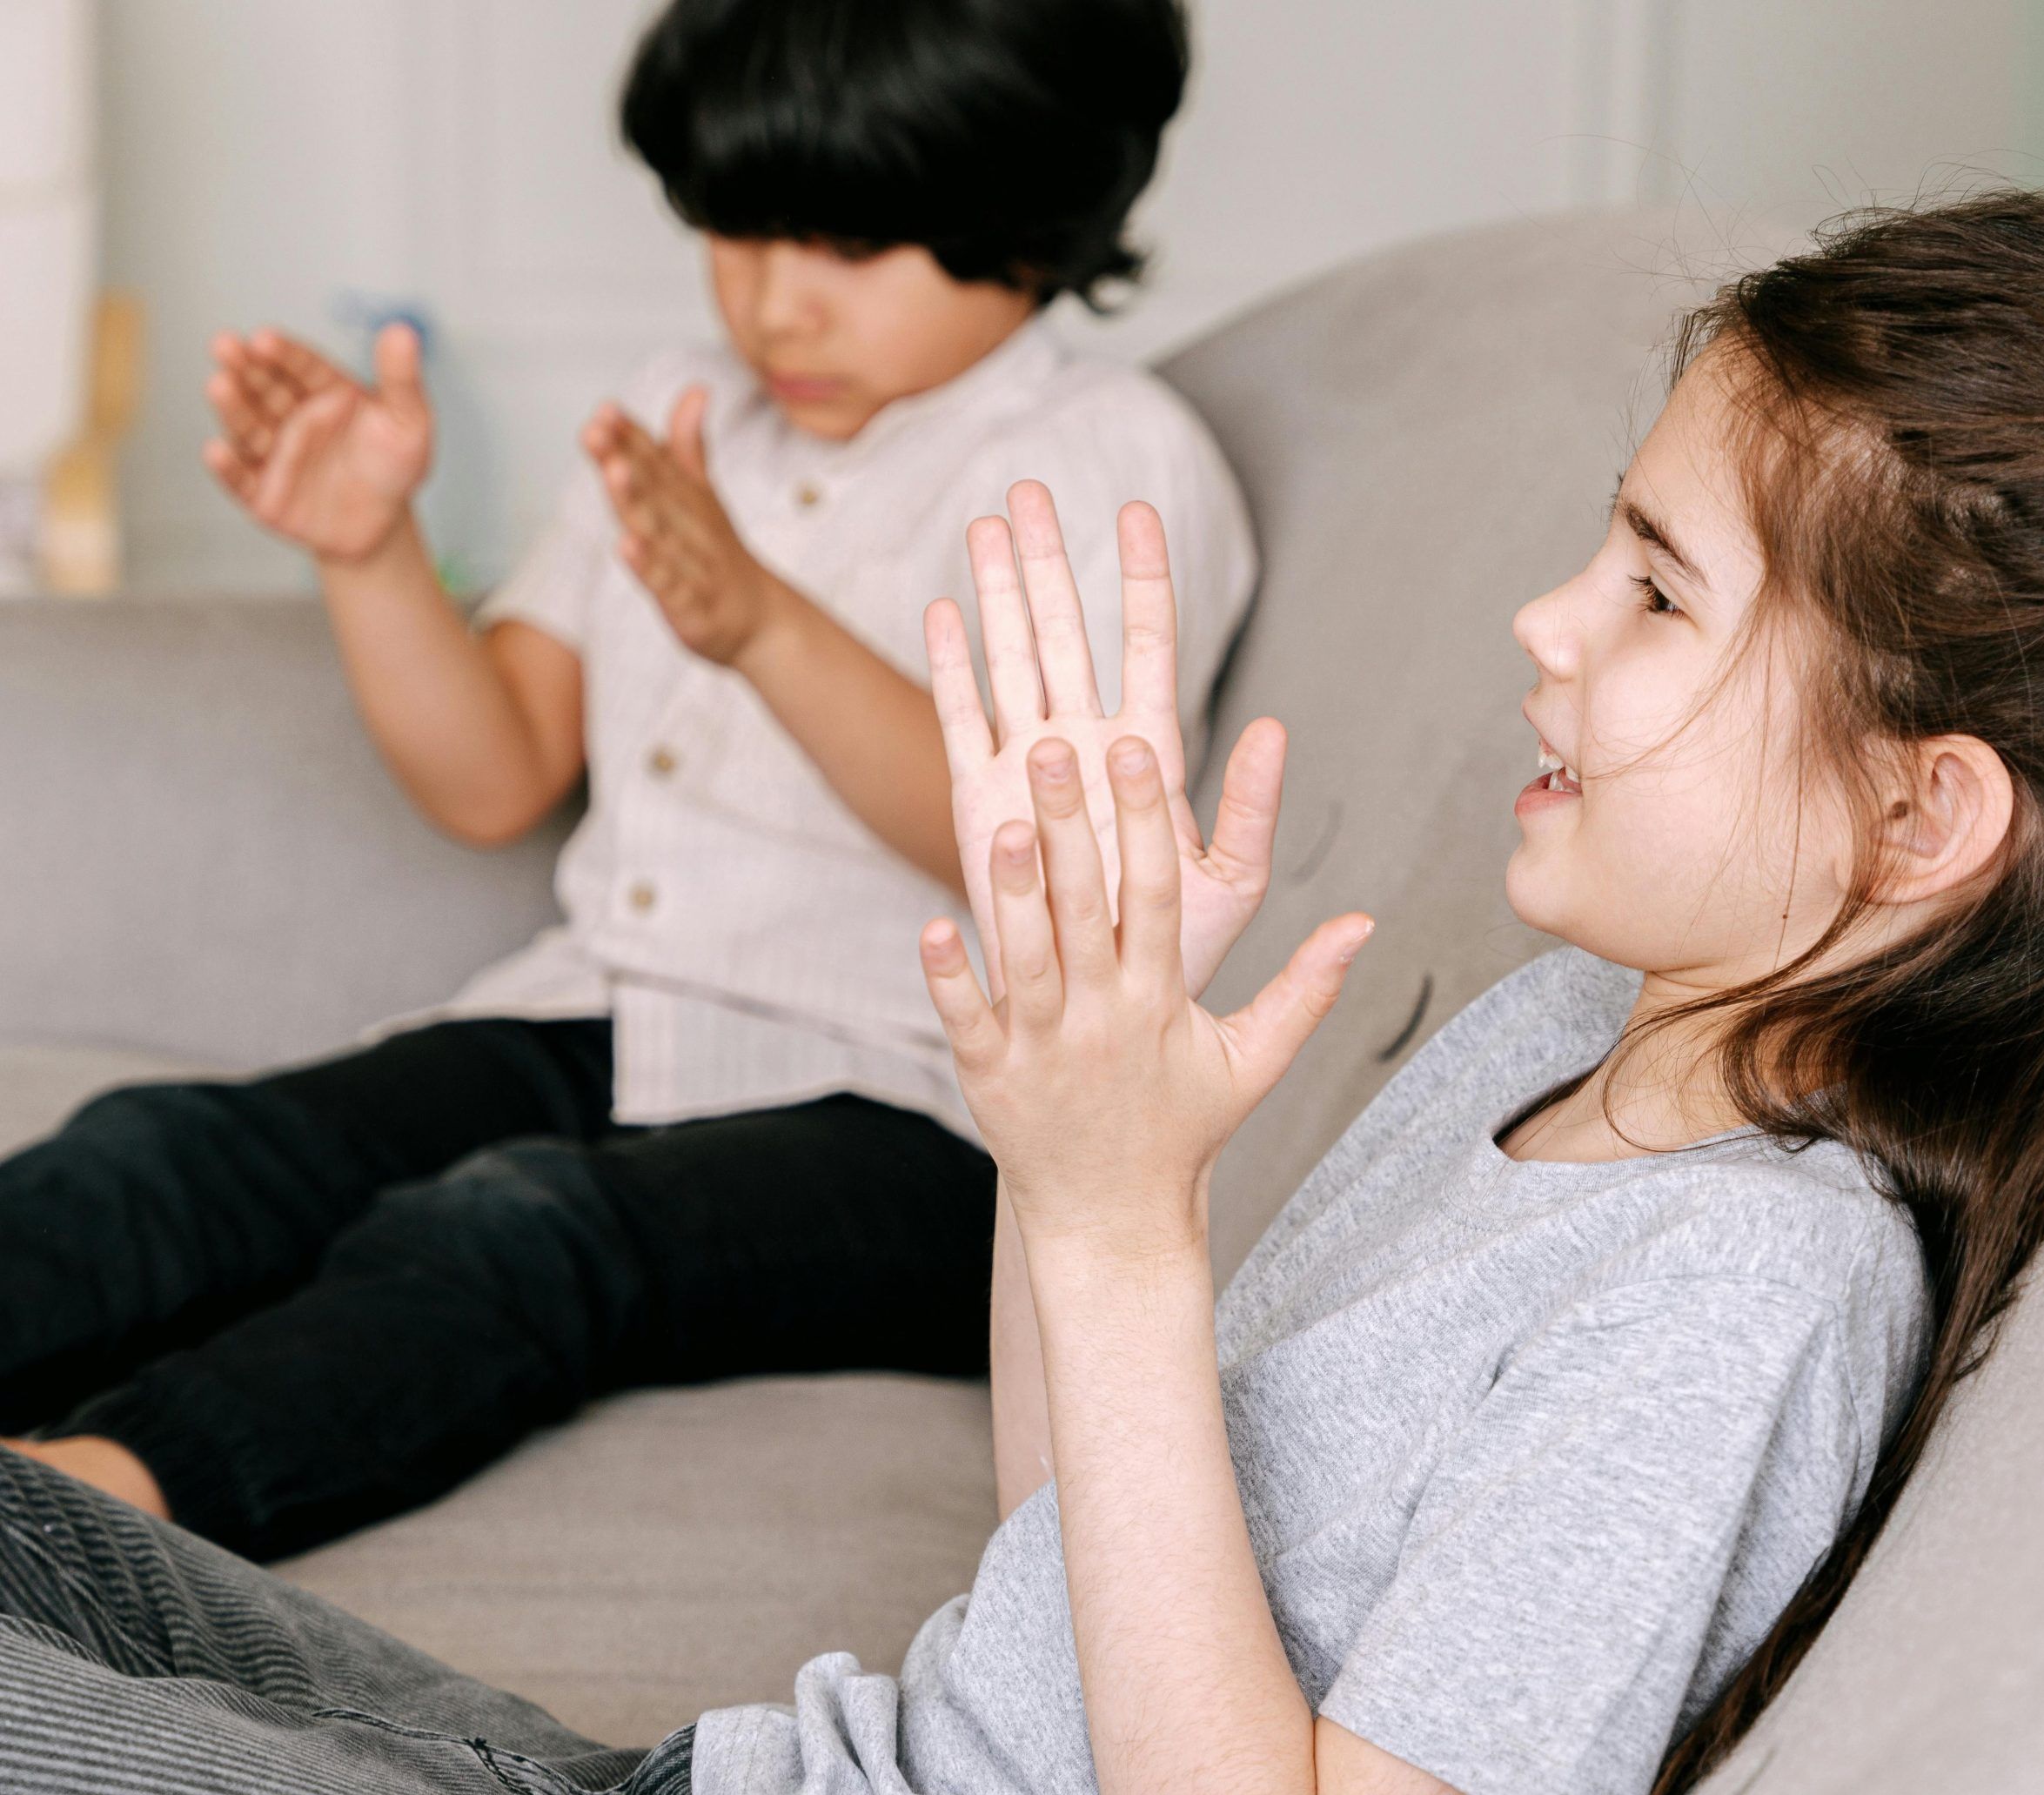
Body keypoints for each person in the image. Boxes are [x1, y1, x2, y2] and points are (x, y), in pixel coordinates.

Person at [7, 190, 2044, 1795]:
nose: (1545, 625)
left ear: (1923, 811)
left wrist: (1116, 1215)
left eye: (1654, 593)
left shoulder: (1741, 1299)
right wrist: (1058, 1120)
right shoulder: (1567, 1035)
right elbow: (1066, 1571)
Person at [0, 0, 1256, 1559]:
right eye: (736, 231)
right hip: (595, 1011)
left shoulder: (1107, 458)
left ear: (1036, 215)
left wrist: (763, 626)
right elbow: (498, 773)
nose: (774, 308)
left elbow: (1062, 874)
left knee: (516, 1233)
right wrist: (370, 550)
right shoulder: (685, 410)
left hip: (915, 1112)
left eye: (847, 248)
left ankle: (77, 1520)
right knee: (172, 1152)